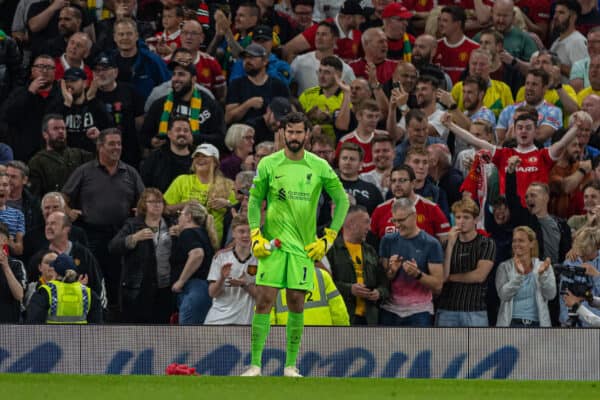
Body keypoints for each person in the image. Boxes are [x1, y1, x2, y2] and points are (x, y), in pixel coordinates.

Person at [242, 111, 349, 377]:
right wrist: (256, 234)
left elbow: (343, 201)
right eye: (289, 132)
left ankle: (290, 365)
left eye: (299, 132)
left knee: (296, 302)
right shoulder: (268, 164)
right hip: (274, 246)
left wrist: (329, 238)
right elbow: (255, 201)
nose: (293, 137)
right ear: (282, 133)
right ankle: (255, 364)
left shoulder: (319, 166)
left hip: (303, 247)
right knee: (264, 300)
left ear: (307, 134)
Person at [62, 128, 144, 321]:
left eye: (119, 143)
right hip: (92, 234)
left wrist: (140, 210)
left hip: (121, 234)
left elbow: (144, 198)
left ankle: (116, 318)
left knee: (119, 279)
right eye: (112, 144)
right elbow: (64, 196)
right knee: (92, 275)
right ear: (100, 147)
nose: (117, 147)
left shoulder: (130, 172)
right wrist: (68, 211)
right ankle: (92, 314)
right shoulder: (84, 171)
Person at [442, 107, 579, 206]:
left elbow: (562, 143)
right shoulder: (504, 154)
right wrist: (450, 125)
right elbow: (475, 140)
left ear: (535, 131)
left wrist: (576, 127)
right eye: (520, 127)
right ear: (514, 130)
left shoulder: (543, 155)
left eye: (528, 127)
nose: (523, 131)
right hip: (507, 213)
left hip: (535, 213)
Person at [108, 188, 174, 324]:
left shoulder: (172, 223)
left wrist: (180, 234)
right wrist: (134, 238)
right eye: (152, 202)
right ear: (144, 204)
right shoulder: (133, 224)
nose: (157, 205)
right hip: (138, 287)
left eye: (160, 201)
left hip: (165, 285)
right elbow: (113, 246)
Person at [379, 197, 444, 327]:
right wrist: (392, 270)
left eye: (401, 220)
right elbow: (384, 279)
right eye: (394, 220)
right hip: (389, 309)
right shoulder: (387, 241)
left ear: (414, 216)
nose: (397, 225)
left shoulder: (431, 244)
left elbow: (438, 286)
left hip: (419, 311)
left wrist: (418, 274)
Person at [142, 59, 225, 151]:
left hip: (197, 159)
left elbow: (220, 138)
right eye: (174, 74)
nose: (175, 79)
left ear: (193, 79)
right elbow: (144, 136)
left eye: (181, 74)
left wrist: (195, 139)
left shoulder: (210, 105)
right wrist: (152, 141)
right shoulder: (160, 104)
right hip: (165, 159)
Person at [437, 198, 496, 327]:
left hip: (475, 310)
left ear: (475, 220)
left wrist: (450, 277)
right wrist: (450, 246)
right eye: (458, 217)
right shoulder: (447, 243)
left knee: (477, 348)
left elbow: (479, 276)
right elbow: (442, 276)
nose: (461, 221)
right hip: (447, 309)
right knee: (443, 347)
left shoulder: (486, 243)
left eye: (466, 217)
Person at [164, 143, 236, 245]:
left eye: (205, 156)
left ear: (215, 162)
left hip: (213, 240)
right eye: (197, 156)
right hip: (184, 236)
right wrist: (186, 204)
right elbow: (165, 208)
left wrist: (227, 203)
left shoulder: (227, 184)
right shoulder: (182, 180)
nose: (200, 159)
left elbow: (242, 209)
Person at [327, 205, 388, 325]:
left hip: (369, 319)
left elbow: (384, 283)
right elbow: (324, 284)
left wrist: (379, 293)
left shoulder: (371, 251)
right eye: (366, 222)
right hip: (343, 317)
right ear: (351, 224)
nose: (369, 228)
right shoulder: (331, 250)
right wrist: (349, 289)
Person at [495, 226, 556, 327]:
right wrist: (518, 276)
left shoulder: (544, 267)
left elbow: (551, 295)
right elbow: (503, 295)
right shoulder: (504, 267)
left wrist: (542, 275)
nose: (516, 244)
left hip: (537, 324)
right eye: (514, 241)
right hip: (511, 323)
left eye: (521, 241)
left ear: (531, 244)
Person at [170, 200, 217, 325]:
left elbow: (197, 254)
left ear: (188, 217)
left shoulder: (188, 233)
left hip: (194, 289)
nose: (178, 217)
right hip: (204, 289)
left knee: (189, 336)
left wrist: (181, 281)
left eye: (181, 213)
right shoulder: (202, 233)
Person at [205, 214, 257, 325]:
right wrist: (222, 278)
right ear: (233, 233)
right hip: (218, 321)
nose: (246, 235)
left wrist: (245, 284)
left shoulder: (260, 261)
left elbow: (262, 297)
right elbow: (212, 293)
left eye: (249, 231)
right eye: (241, 231)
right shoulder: (221, 258)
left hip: (245, 323)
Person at [45, 67, 111, 153]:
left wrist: (91, 100)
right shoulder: (56, 105)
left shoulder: (95, 104)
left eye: (73, 80)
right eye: (66, 81)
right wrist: (67, 104)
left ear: (85, 83)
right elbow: (49, 133)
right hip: (65, 157)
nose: (69, 84)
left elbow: (109, 127)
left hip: (91, 156)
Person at [27, 114, 94, 197]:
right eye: (56, 129)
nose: (61, 131)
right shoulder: (37, 162)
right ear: (45, 134)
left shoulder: (78, 154)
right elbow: (35, 197)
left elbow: (101, 160)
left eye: (63, 128)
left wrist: (98, 139)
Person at [26, 253, 103, 323]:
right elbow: (96, 325)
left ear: (55, 271)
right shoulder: (87, 293)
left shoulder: (45, 291)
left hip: (51, 337)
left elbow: (33, 323)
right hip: (80, 338)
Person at [225, 43, 290, 126]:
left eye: (251, 57)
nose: (247, 61)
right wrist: (247, 104)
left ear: (265, 61)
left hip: (270, 133)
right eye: (245, 57)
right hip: (243, 132)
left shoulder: (278, 85)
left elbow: (288, 114)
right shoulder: (236, 84)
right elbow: (228, 118)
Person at [290, 21, 356, 95]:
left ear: (334, 39)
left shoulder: (345, 69)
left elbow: (352, 94)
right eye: (317, 34)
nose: (319, 38)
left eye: (324, 34)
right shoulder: (299, 62)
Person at [270, 265, 350, 326]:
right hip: (324, 341)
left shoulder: (271, 282)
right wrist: (342, 338)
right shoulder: (321, 276)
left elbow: (268, 319)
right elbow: (339, 314)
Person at [558, 227, 600, 327]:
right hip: (574, 326)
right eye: (582, 256)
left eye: (587, 256)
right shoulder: (570, 262)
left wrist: (596, 276)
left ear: (596, 248)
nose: (584, 259)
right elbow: (564, 296)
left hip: (595, 325)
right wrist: (567, 321)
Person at [434, 6, 480, 84]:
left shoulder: (475, 49)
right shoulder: (435, 46)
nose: (440, 24)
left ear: (458, 24)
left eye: (445, 21)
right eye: (439, 20)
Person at [337, 142, 384, 215]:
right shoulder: (327, 187)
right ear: (339, 161)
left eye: (352, 159)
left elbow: (380, 217)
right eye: (344, 158)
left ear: (361, 164)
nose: (347, 162)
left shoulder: (372, 190)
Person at [549, 0, 588, 83]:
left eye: (561, 13)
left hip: (570, 94)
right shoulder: (557, 40)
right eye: (555, 12)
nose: (555, 16)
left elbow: (583, 75)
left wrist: (556, 64)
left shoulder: (578, 41)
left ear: (573, 17)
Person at [0, 222, 26, 323]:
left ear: (5, 241)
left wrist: (6, 267)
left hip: (9, 326)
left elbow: (19, 295)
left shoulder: (16, 265)